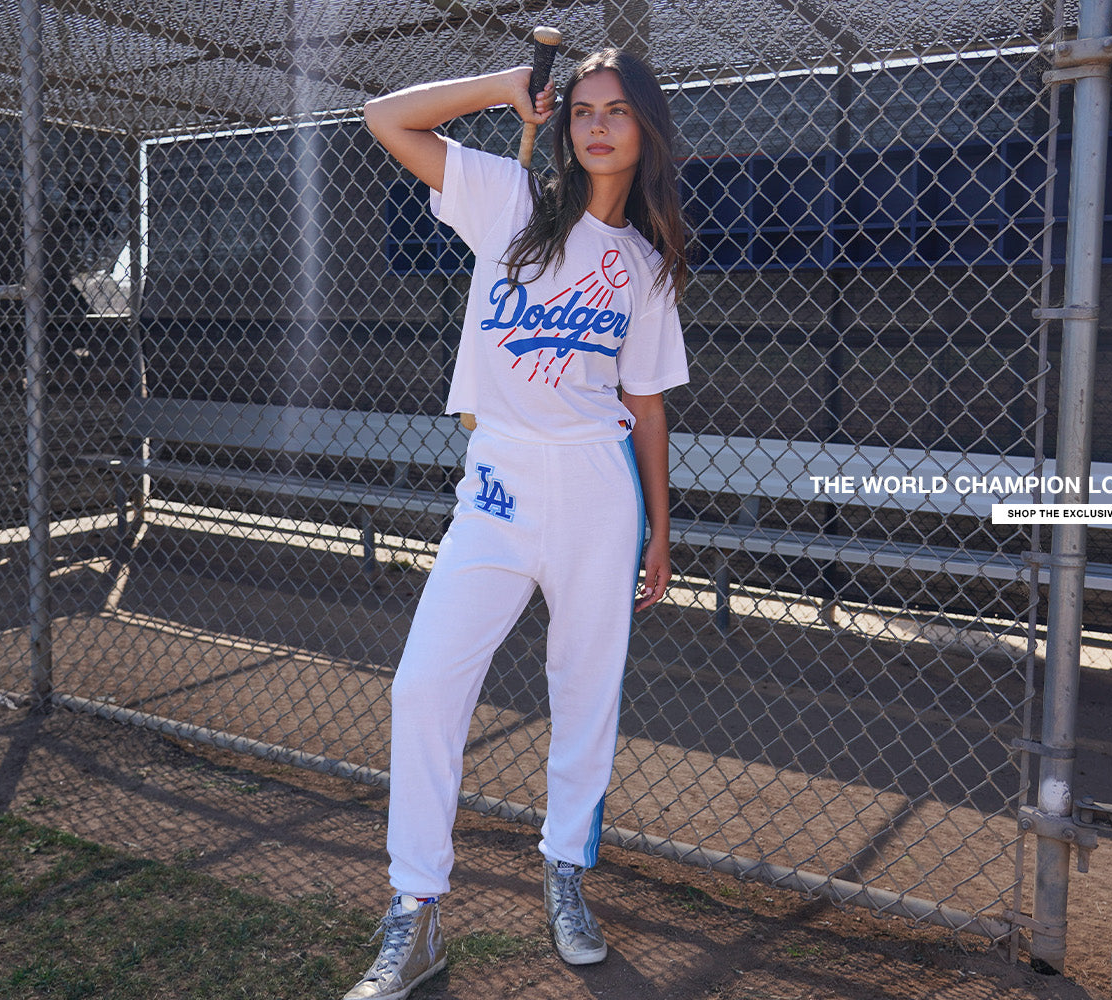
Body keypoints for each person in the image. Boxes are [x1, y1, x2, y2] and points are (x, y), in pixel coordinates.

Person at [346, 48, 690, 1000]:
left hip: (597, 489)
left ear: (645, 129)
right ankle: (416, 913)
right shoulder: (510, 200)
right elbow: (387, 118)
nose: (596, 124)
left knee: (585, 695)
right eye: (582, 108)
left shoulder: (644, 267)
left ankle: (565, 877)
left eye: (618, 110)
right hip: (494, 488)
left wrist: (660, 532)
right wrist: (503, 87)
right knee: (423, 689)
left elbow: (649, 407)